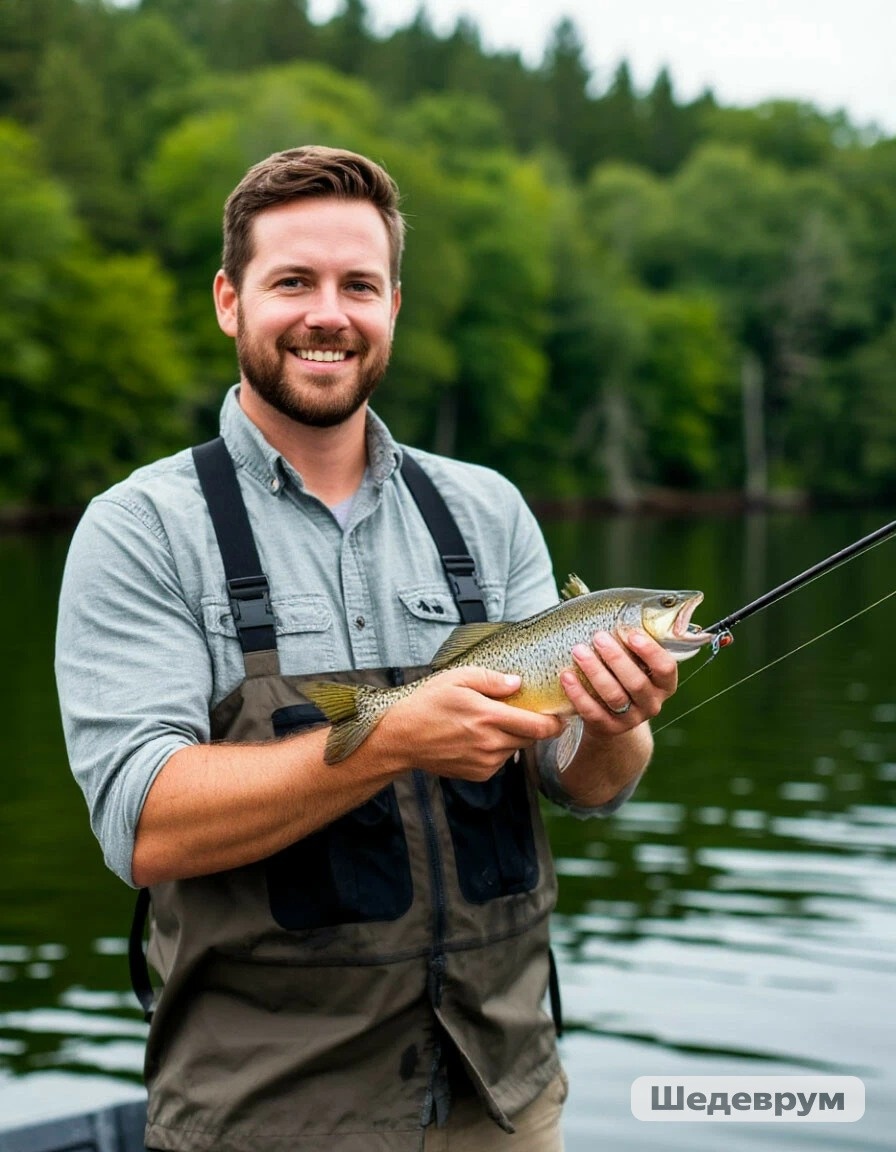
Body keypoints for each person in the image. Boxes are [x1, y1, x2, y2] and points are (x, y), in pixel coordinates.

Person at [55, 145, 681, 1152]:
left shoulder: (487, 508)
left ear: (394, 304)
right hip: (265, 1119)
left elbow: (586, 785)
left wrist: (614, 721)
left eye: (358, 284)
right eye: (291, 281)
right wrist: (390, 742)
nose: (326, 313)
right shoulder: (140, 529)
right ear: (228, 300)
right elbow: (142, 828)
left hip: (506, 1102)